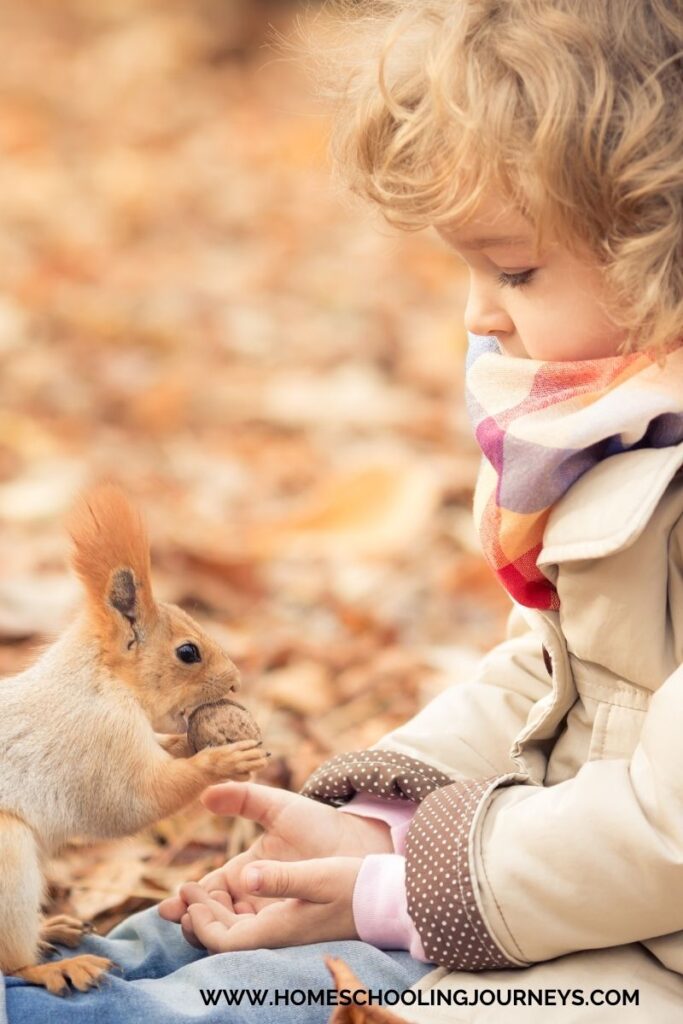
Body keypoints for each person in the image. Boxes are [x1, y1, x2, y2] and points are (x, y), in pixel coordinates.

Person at [4, 0, 683, 1020]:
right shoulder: (606, 430)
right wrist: (380, 821)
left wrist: (400, 887)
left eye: (512, 270)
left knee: (178, 1008)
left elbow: (665, 832)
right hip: (540, 894)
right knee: (164, 944)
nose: (475, 314)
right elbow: (557, 687)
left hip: (625, 961)